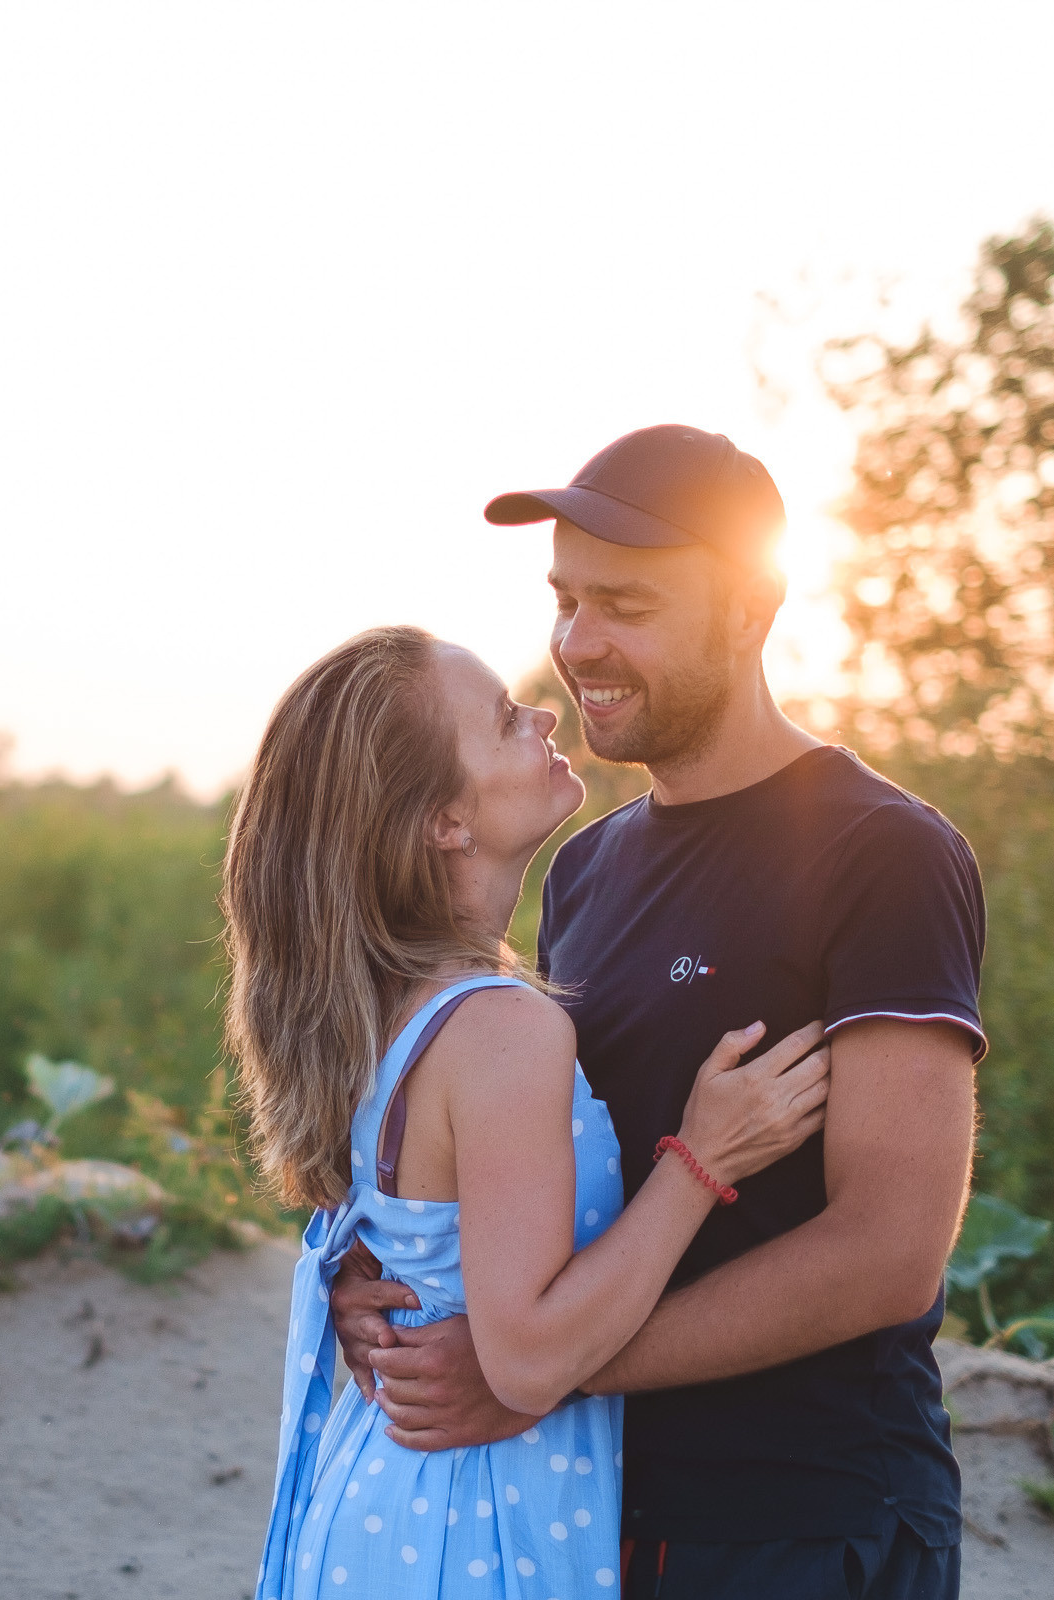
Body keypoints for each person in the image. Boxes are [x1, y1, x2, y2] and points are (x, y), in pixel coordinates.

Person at [330, 425, 986, 1600]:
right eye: (566, 600)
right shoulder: (582, 870)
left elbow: (890, 1249)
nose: (579, 645)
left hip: (805, 1519)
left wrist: (547, 1369)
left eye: (626, 604)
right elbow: (548, 1173)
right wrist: (382, 1280)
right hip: (590, 1509)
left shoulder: (881, 852)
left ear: (749, 607)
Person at [226, 623, 834, 1598]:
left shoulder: (388, 1002)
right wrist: (702, 1160)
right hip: (467, 1520)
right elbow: (528, 1354)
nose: (544, 711)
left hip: (385, 1502)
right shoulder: (502, 1028)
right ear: (444, 822)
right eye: (507, 721)